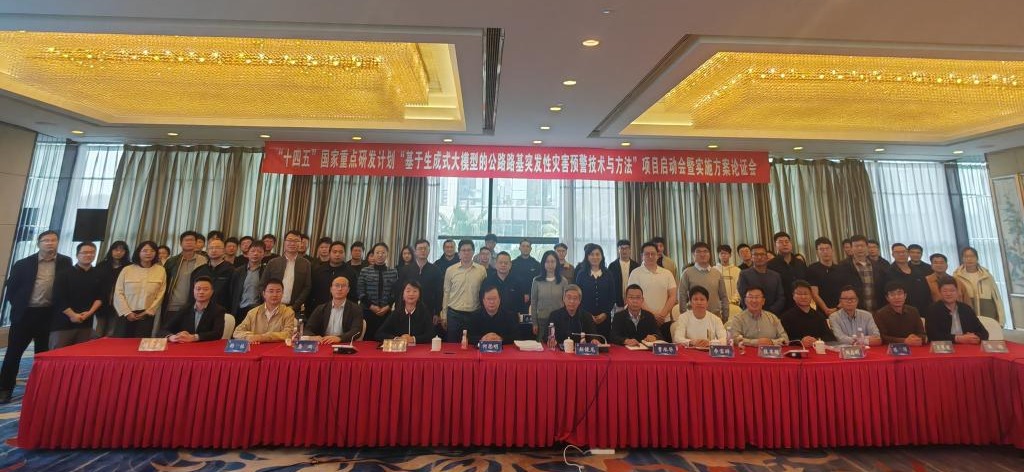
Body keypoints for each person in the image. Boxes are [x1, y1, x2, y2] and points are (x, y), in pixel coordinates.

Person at [0, 231, 73, 403]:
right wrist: (19, 305)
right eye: (46, 240)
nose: (50, 243)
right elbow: (11, 289)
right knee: (13, 353)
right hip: (25, 315)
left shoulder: (65, 262)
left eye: (53, 240)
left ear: (58, 243)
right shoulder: (23, 264)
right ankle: (4, 389)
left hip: (48, 315)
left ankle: (41, 389)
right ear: (38, 243)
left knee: (43, 355)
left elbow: (67, 287)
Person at [49, 241, 102, 349]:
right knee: (58, 354)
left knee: (81, 354)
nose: (89, 255)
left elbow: (100, 297)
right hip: (63, 323)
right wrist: (73, 315)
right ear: (77, 255)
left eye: (92, 252)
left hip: (86, 323)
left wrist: (89, 313)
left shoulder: (99, 274)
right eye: (85, 252)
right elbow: (58, 298)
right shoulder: (64, 274)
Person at [113, 241, 167, 338]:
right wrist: (127, 312)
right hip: (126, 314)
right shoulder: (127, 269)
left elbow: (161, 293)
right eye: (145, 250)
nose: (148, 253)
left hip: (146, 315)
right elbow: (118, 292)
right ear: (138, 252)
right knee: (122, 342)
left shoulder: (161, 270)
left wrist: (148, 311)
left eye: (152, 251)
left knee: (141, 342)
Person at [628, 241, 678, 338]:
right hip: (642, 319)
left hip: (664, 320)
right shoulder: (635, 273)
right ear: (642, 256)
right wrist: (653, 315)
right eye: (647, 254)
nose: (650, 256)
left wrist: (662, 315)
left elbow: (672, 296)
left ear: (658, 255)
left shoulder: (667, 273)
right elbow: (635, 297)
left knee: (663, 346)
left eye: (653, 254)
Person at [441, 239, 488, 342]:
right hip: (454, 315)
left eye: (469, 250)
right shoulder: (450, 270)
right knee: (453, 345)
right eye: (463, 250)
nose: (466, 253)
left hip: (474, 314)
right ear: (459, 253)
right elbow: (446, 293)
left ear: (473, 252)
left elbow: (484, 293)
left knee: (473, 345)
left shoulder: (481, 270)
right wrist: (444, 315)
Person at [260, 230, 312, 316]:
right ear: (284, 242)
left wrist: (295, 306)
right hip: (271, 307)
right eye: (290, 240)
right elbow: (262, 284)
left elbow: (307, 287)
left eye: (296, 241)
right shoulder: (273, 262)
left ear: (300, 244)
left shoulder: (306, 264)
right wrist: (268, 301)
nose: (292, 243)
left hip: (293, 309)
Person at [160, 276, 227, 342]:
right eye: (198, 289)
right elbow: (163, 330)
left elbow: (217, 333)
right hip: (187, 346)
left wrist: (194, 337)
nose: (201, 292)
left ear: (212, 292)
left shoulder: (218, 310)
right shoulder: (185, 309)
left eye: (205, 289)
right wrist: (172, 337)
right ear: (193, 291)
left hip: (206, 346)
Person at [926, 279, 989, 344]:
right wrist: (958, 339)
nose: (948, 294)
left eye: (952, 290)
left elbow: (984, 333)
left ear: (957, 292)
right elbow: (932, 336)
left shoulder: (966, 309)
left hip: (967, 346)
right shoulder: (933, 310)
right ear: (940, 293)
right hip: (945, 347)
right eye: (945, 291)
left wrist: (977, 338)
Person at [952, 246, 1004, 325]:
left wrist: (1001, 319)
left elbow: (997, 298)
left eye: (972, 256)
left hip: (987, 313)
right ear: (962, 259)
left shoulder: (986, 275)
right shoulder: (956, 276)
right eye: (966, 257)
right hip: (967, 313)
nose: (969, 259)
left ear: (977, 258)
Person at [357, 242, 399, 340]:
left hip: (386, 312)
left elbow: (395, 292)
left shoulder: (393, 272)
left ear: (387, 254)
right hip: (368, 311)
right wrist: (371, 306)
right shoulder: (365, 271)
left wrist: (387, 306)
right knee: (368, 340)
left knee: (385, 340)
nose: (380, 255)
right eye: (377, 252)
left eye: (383, 252)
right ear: (373, 255)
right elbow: (360, 291)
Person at [304, 276, 363, 343]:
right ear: (331, 289)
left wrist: (340, 338)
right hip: (324, 343)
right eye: (337, 285)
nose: (340, 289)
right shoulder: (321, 309)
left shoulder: (355, 309)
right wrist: (313, 337)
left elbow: (357, 331)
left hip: (344, 344)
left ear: (348, 290)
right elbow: (307, 329)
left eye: (343, 286)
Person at [397, 239, 444, 323]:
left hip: (429, 309)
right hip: (408, 309)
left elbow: (439, 292)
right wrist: (399, 308)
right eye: (420, 248)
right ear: (415, 251)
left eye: (425, 248)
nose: (423, 251)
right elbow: (400, 290)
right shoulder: (405, 270)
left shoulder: (436, 270)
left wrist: (437, 312)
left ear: (429, 250)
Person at [836, 235, 887, 312]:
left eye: (862, 246)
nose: (859, 248)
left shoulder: (877, 266)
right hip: (855, 310)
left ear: (867, 247)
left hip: (877, 309)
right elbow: (840, 287)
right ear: (851, 248)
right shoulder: (843, 266)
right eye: (856, 246)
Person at [163, 231, 208, 317]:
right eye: (186, 240)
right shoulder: (172, 261)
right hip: (172, 306)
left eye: (192, 240)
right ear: (181, 243)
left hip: (194, 306)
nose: (189, 242)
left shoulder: (203, 261)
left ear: (196, 243)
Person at [679, 242, 728, 320]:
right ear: (693, 255)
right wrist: (684, 316)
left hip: (715, 316)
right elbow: (682, 295)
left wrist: (725, 315)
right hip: (694, 317)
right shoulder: (687, 273)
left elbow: (723, 296)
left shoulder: (717, 273)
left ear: (710, 254)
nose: (702, 254)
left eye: (705, 251)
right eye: (698, 251)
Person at [779, 280, 836, 348]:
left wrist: (817, 340)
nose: (803, 297)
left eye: (806, 294)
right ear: (793, 296)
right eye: (799, 294)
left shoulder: (819, 316)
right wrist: (800, 342)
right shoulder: (786, 317)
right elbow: (784, 340)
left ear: (811, 296)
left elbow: (831, 338)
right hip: (797, 351)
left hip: (816, 350)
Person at [575, 244, 615, 339]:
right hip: (585, 317)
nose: (595, 257)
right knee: (587, 343)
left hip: (604, 318)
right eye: (592, 254)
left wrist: (605, 313)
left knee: (604, 344)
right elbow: (578, 297)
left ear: (602, 256)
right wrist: (588, 316)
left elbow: (612, 296)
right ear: (587, 256)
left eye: (597, 254)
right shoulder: (581, 274)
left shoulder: (608, 274)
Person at [94, 240, 131, 337]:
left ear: (125, 252)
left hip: (119, 303)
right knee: (99, 330)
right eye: (116, 250)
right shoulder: (102, 265)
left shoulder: (129, 267)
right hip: (102, 302)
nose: (118, 252)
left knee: (112, 331)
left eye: (121, 250)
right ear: (111, 251)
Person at [309, 241, 360, 311]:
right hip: (320, 310)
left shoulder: (351, 273)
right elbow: (312, 292)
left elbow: (354, 295)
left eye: (341, 252)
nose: (337, 254)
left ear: (345, 254)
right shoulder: (319, 271)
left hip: (342, 310)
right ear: (329, 253)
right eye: (334, 252)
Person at [873, 281, 926, 346]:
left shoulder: (913, 311)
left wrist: (915, 338)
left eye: (899, 294)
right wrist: (904, 341)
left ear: (905, 296)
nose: (897, 297)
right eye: (892, 294)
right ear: (887, 298)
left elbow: (922, 334)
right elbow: (882, 337)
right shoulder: (880, 314)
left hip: (913, 346)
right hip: (890, 349)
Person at [736, 244, 785, 315]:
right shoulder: (744, 274)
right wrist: (756, 312)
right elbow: (744, 297)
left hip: (773, 315)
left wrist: (769, 312)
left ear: (766, 257)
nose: (759, 257)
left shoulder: (775, 275)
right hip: (751, 315)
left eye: (762, 254)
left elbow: (781, 297)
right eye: (756, 255)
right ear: (751, 257)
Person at [886, 243, 933, 315]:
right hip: (902, 312)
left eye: (903, 252)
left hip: (923, 310)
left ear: (908, 254)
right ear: (893, 255)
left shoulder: (917, 270)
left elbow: (926, 291)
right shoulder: (888, 272)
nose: (901, 254)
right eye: (897, 252)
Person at [530, 250, 569, 337]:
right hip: (541, 320)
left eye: (553, 261)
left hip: (559, 320)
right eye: (547, 262)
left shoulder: (563, 281)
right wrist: (534, 323)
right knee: (542, 344)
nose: (550, 264)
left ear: (557, 263)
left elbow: (566, 302)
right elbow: (533, 302)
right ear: (543, 263)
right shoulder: (536, 281)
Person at [766, 231, 807, 312]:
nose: (784, 244)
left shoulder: (800, 263)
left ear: (791, 244)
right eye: (780, 242)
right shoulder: (770, 265)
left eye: (787, 241)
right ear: (775, 246)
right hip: (781, 308)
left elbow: (806, 283)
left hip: (801, 306)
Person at [190, 238, 234, 310]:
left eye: (217, 248)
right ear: (207, 251)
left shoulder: (232, 270)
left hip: (222, 310)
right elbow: (192, 295)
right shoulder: (198, 271)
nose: (214, 250)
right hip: (200, 310)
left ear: (224, 251)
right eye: (211, 248)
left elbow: (234, 295)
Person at [806, 237, 843, 315]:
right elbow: (814, 294)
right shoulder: (812, 269)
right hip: (822, 311)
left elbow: (844, 290)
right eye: (821, 249)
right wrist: (826, 309)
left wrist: (838, 307)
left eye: (827, 248)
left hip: (841, 309)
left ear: (832, 250)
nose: (825, 252)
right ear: (817, 252)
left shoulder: (839, 268)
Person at [482, 251, 526, 317]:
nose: (503, 265)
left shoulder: (518, 281)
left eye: (506, 263)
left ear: (510, 265)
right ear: (496, 264)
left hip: (512, 318)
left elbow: (521, 302)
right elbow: (482, 300)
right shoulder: (488, 281)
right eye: (500, 262)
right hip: (492, 317)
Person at [229, 242, 265, 323]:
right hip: (240, 310)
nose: (255, 254)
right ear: (248, 253)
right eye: (253, 251)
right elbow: (232, 292)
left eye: (259, 251)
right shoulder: (238, 271)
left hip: (258, 310)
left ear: (263, 255)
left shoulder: (265, 271)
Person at [609, 239, 639, 310]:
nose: (624, 251)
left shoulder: (636, 265)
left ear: (630, 250)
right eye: (622, 248)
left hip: (633, 301)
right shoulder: (612, 266)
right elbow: (610, 285)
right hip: (617, 302)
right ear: (618, 250)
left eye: (626, 248)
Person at [510, 238, 541, 308]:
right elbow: (511, 281)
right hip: (515, 297)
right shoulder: (513, 264)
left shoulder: (537, 264)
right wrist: (521, 295)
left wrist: (529, 294)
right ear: (519, 248)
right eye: (523, 246)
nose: (525, 248)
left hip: (533, 298)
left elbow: (538, 282)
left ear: (531, 249)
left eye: (527, 246)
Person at [714, 244, 742, 319]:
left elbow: (739, 287)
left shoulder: (737, 270)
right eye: (721, 253)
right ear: (718, 255)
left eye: (726, 253)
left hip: (733, 304)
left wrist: (734, 300)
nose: (723, 255)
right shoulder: (714, 270)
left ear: (730, 255)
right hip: (718, 305)